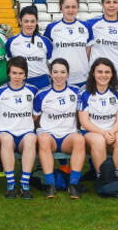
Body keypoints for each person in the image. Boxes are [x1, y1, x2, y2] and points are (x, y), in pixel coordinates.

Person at [34, 58, 85, 199]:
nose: (59, 75)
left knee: (80, 140)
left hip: (68, 136)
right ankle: (50, 185)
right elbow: (33, 118)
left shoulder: (76, 92)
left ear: (68, 74)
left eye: (63, 72)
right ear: (50, 73)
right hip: (49, 136)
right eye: (55, 72)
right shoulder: (42, 94)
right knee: (43, 139)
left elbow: (81, 116)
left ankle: (73, 184)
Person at [0, 56, 38, 199]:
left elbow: (35, 114)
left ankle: (25, 185)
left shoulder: (33, 91)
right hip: (5, 133)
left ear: (25, 73)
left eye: (20, 73)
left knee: (31, 138)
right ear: (8, 73)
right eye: (14, 73)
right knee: (6, 140)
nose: (17, 77)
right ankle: (11, 185)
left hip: (25, 133)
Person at [78, 58, 118, 181]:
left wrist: (111, 132)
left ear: (112, 74)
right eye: (100, 72)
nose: (103, 75)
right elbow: (85, 122)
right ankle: (102, 180)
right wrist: (104, 133)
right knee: (99, 140)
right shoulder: (84, 92)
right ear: (93, 73)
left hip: (112, 132)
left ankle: (116, 179)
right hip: (91, 133)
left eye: (107, 72)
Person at [44, 0, 93, 88]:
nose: (70, 10)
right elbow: (47, 55)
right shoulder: (51, 28)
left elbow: (88, 54)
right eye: (67, 7)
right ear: (60, 7)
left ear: (78, 8)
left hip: (82, 79)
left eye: (73, 7)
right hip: (59, 80)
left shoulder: (86, 27)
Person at [6, 6, 53, 90]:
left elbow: (52, 64)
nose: (29, 25)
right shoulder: (11, 42)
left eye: (32, 21)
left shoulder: (45, 41)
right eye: (26, 21)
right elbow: (9, 64)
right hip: (21, 83)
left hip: (42, 83)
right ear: (20, 21)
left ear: (37, 21)